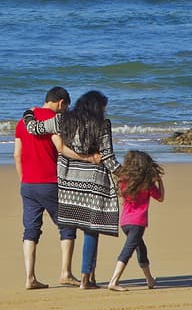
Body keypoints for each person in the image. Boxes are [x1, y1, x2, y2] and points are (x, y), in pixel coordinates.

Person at [24, 90, 121, 290]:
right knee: (92, 229)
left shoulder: (62, 120)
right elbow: (108, 157)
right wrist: (126, 174)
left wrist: (28, 112)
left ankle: (84, 276)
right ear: (97, 107)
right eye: (104, 107)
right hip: (93, 182)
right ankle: (87, 277)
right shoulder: (103, 125)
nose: (105, 111)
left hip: (68, 183)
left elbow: (33, 128)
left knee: (74, 226)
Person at [14, 86, 82, 290]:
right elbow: (61, 148)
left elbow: (17, 155)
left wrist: (24, 179)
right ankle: (66, 273)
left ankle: (30, 277)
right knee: (67, 225)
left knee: (31, 230)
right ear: (61, 103)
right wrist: (88, 157)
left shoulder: (22, 122)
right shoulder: (52, 122)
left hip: (27, 184)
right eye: (65, 108)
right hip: (50, 181)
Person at [107, 150, 165, 292]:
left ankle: (150, 280)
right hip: (137, 223)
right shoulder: (147, 184)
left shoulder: (124, 181)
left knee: (141, 249)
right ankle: (114, 281)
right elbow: (161, 198)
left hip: (125, 222)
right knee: (128, 250)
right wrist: (159, 181)